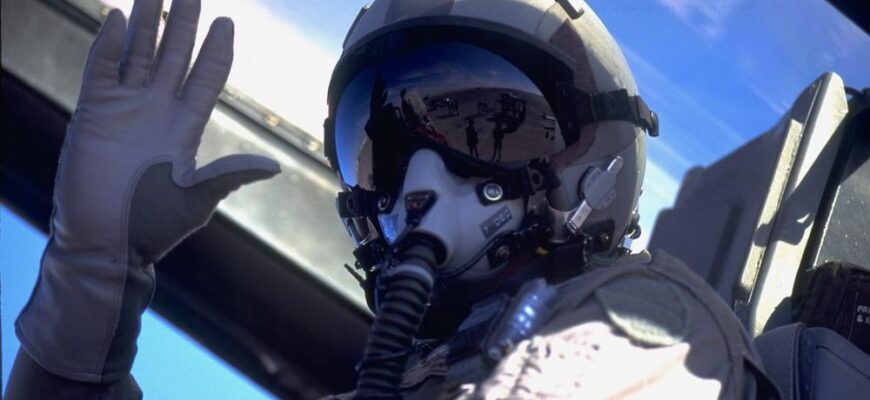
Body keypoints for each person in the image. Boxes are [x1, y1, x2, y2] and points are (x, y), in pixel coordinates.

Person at [6, 0, 776, 399]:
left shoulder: (648, 327)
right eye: (383, 147)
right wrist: (93, 269)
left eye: (485, 128)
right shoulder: (416, 379)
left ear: (590, 155)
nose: (418, 184)